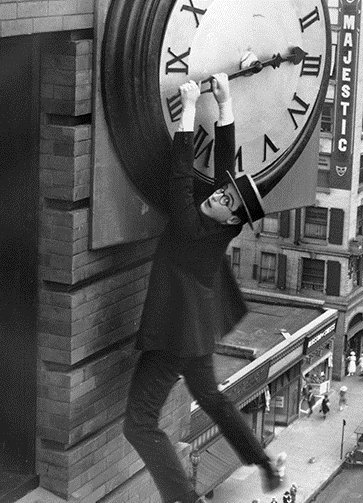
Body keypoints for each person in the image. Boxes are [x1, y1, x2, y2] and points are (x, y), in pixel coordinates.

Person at [123, 74, 286, 503]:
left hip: (176, 336)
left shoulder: (191, 228)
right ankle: (264, 463)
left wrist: (191, 108)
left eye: (227, 202)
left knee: (139, 424)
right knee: (211, 397)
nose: (218, 197)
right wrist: (226, 102)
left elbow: (180, 177)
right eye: (224, 193)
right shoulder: (220, 228)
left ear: (230, 220)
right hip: (195, 330)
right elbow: (226, 168)